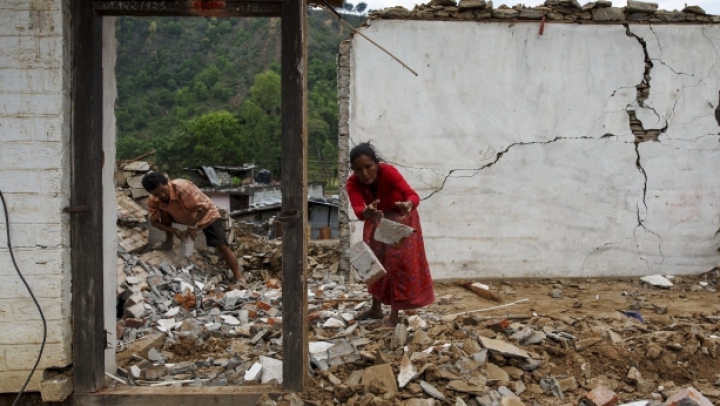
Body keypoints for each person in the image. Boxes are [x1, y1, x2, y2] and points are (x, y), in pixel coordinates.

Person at [346, 142, 435, 327]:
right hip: (376, 219)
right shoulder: (352, 182)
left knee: (397, 265)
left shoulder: (389, 172)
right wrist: (368, 213)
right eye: (358, 169)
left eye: (368, 166)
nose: (364, 173)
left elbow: (411, 195)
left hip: (401, 219)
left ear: (377, 164)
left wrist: (408, 205)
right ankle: (376, 308)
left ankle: (394, 315)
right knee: (374, 263)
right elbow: (357, 209)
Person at [141, 172, 247, 284]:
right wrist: (174, 230)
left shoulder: (183, 188)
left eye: (163, 190)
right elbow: (154, 222)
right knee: (162, 210)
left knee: (222, 246)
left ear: (167, 182)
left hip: (206, 215)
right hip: (183, 217)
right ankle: (169, 241)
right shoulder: (154, 200)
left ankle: (238, 276)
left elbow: (204, 207)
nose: (162, 195)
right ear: (151, 193)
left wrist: (192, 225)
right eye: (157, 194)